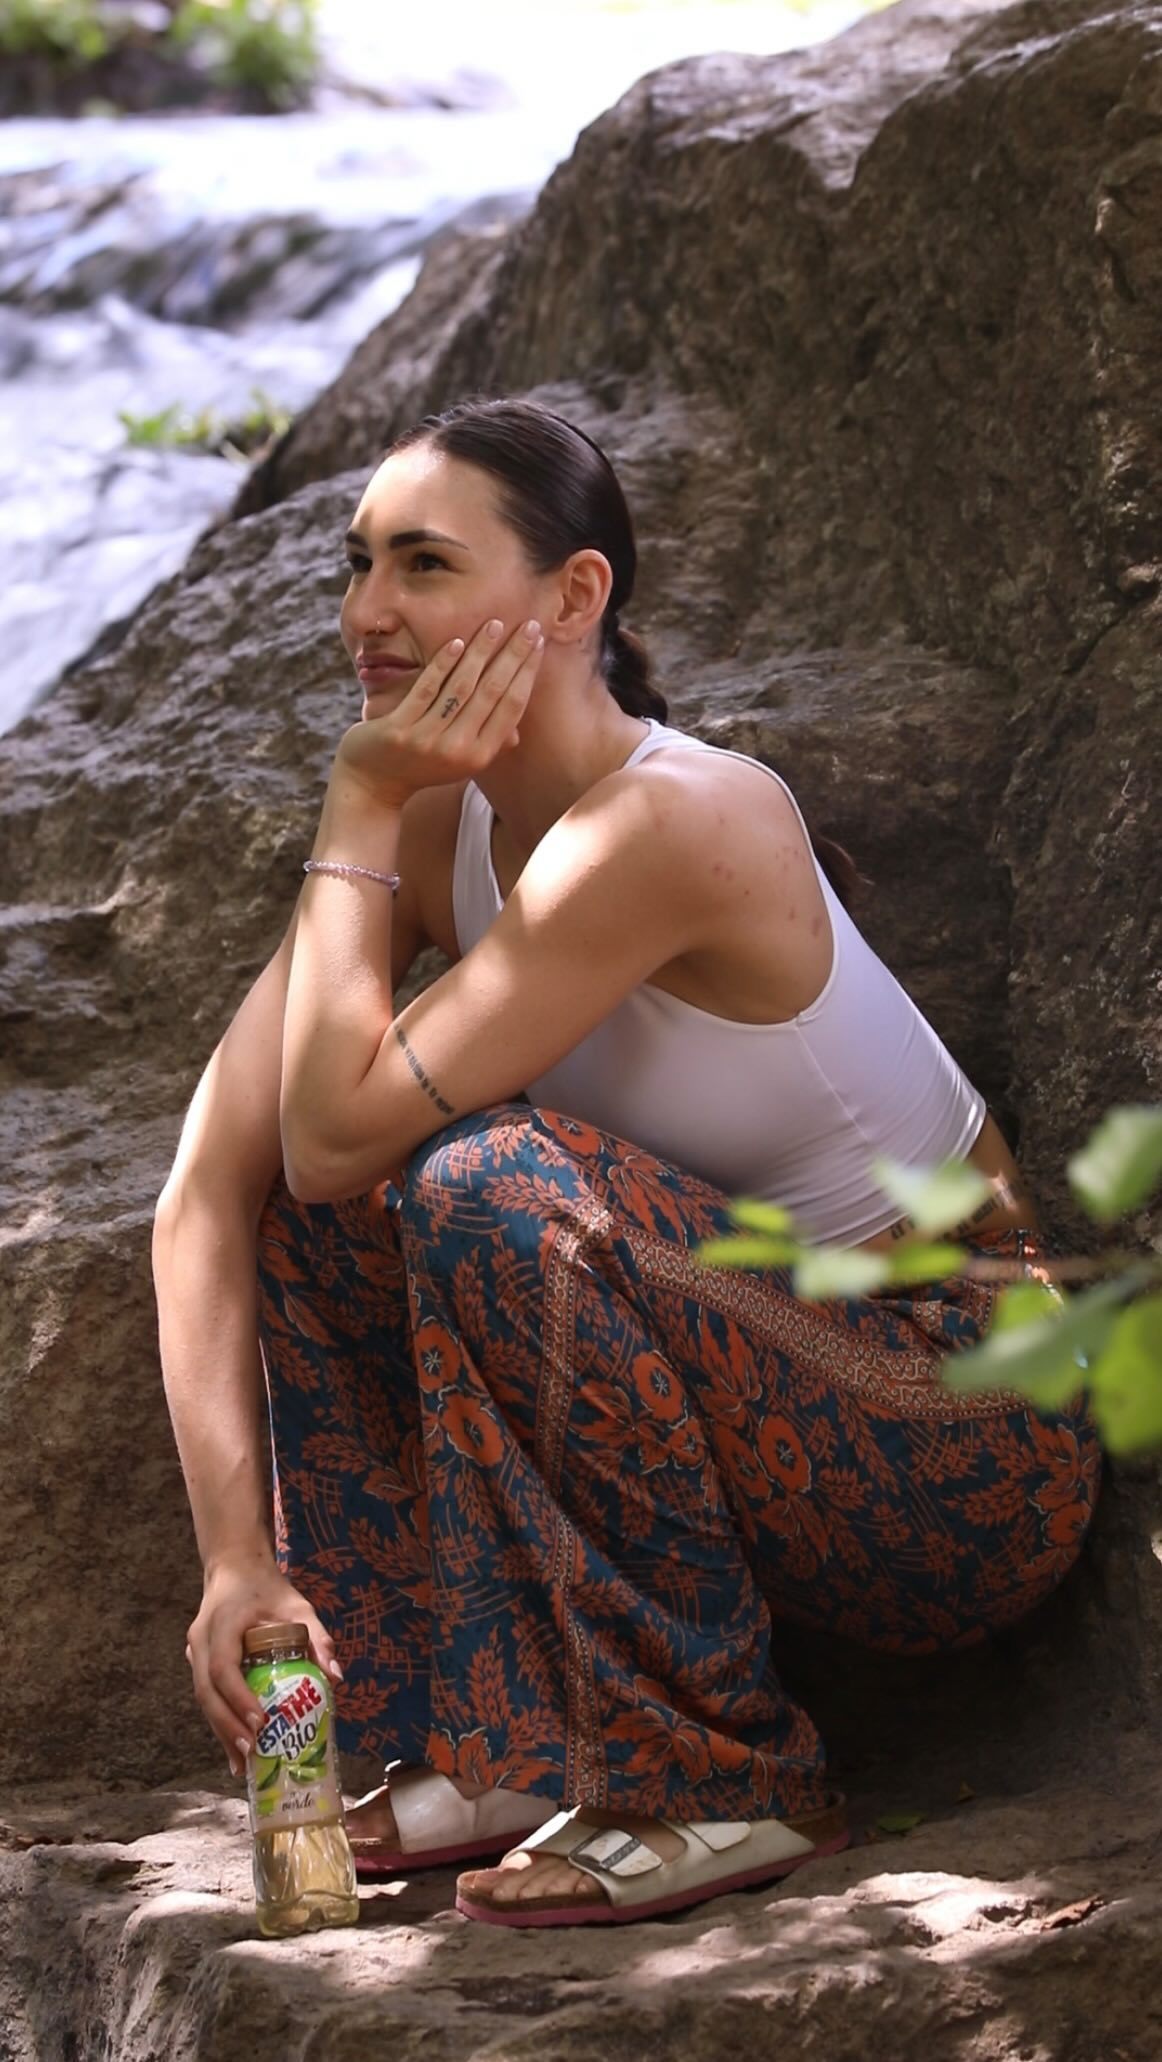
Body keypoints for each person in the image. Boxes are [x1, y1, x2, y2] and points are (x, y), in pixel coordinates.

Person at [153, 396, 1101, 1930]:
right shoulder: (444, 826)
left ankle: (714, 1775)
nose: (367, 611)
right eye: (356, 564)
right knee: (346, 1215)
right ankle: (500, 1744)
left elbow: (330, 1132)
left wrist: (362, 798)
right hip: (761, 1378)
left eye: (422, 564)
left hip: (963, 1437)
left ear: (574, 594)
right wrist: (231, 1563)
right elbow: (211, 1190)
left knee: (479, 1181)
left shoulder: (671, 819)